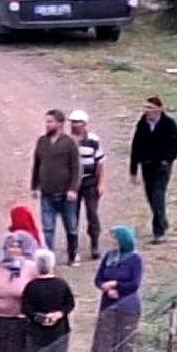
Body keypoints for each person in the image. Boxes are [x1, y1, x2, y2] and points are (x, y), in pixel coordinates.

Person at [90, 226, 144, 352]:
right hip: (108, 304)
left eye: (114, 238)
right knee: (104, 342)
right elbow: (99, 278)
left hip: (127, 305)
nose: (111, 241)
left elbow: (134, 283)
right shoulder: (108, 257)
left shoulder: (135, 259)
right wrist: (105, 288)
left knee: (123, 343)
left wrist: (116, 285)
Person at [21, 249, 76, 352]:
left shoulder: (31, 286)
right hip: (59, 331)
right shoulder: (61, 284)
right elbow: (70, 304)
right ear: (52, 265)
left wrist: (39, 317)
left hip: (37, 333)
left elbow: (25, 308)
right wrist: (58, 314)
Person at [129, 96, 177, 244]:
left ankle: (158, 231)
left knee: (158, 195)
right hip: (147, 165)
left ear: (159, 109)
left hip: (162, 166)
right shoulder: (142, 124)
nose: (147, 111)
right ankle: (163, 220)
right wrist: (133, 170)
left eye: (150, 108)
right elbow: (136, 146)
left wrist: (169, 158)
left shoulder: (168, 123)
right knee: (150, 196)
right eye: (145, 108)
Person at [30, 110, 82, 265]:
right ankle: (49, 260)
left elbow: (76, 167)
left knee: (71, 227)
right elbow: (37, 165)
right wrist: (35, 185)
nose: (48, 125)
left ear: (60, 123)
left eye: (51, 122)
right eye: (47, 122)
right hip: (47, 193)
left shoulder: (69, 143)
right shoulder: (42, 142)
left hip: (66, 194)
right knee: (48, 229)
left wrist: (73, 188)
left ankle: (73, 254)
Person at [69, 110, 106, 259]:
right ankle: (73, 248)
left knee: (92, 213)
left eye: (78, 122)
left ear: (84, 124)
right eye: (73, 122)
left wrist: (101, 183)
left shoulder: (93, 140)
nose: (75, 125)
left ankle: (95, 244)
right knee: (72, 216)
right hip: (72, 183)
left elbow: (100, 162)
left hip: (90, 181)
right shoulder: (67, 140)